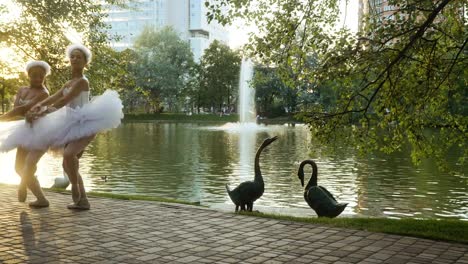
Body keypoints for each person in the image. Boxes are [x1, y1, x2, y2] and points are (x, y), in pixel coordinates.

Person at [28, 43, 123, 210]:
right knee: (67, 164)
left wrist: (45, 112)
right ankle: (83, 201)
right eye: (72, 56)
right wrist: (38, 106)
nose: (75, 59)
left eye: (79, 57)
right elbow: (54, 97)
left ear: (85, 62)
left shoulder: (82, 82)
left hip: (85, 123)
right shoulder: (69, 82)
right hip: (69, 123)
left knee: (69, 154)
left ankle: (75, 189)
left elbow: (64, 101)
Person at [0, 61, 51, 206]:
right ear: (28, 75)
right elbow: (18, 109)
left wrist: (1, 119)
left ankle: (32, 191)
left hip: (37, 131)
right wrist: (15, 115)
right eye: (34, 76)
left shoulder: (43, 93)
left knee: (25, 166)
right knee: (18, 167)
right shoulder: (22, 90)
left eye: (41, 76)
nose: (37, 79)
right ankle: (40, 197)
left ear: (44, 77)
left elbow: (22, 109)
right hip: (23, 128)